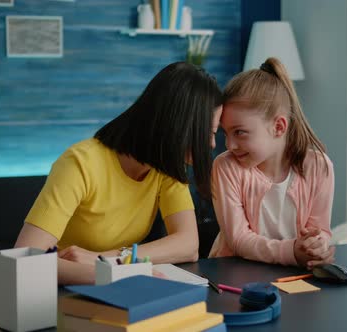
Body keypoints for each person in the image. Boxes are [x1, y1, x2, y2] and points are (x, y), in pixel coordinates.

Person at [15, 62, 223, 284]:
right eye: (208, 133)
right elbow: (25, 258)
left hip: (114, 285)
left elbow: (188, 245)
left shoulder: (167, 168)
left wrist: (109, 259)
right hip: (62, 290)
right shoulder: (80, 163)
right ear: (179, 126)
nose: (211, 144)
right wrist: (112, 272)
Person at [208, 57, 335, 268]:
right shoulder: (226, 167)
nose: (230, 145)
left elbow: (320, 229)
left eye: (240, 132)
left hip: (291, 275)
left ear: (278, 127)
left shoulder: (319, 166)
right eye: (226, 133)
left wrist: (317, 245)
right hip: (230, 274)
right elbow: (238, 239)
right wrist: (292, 252)